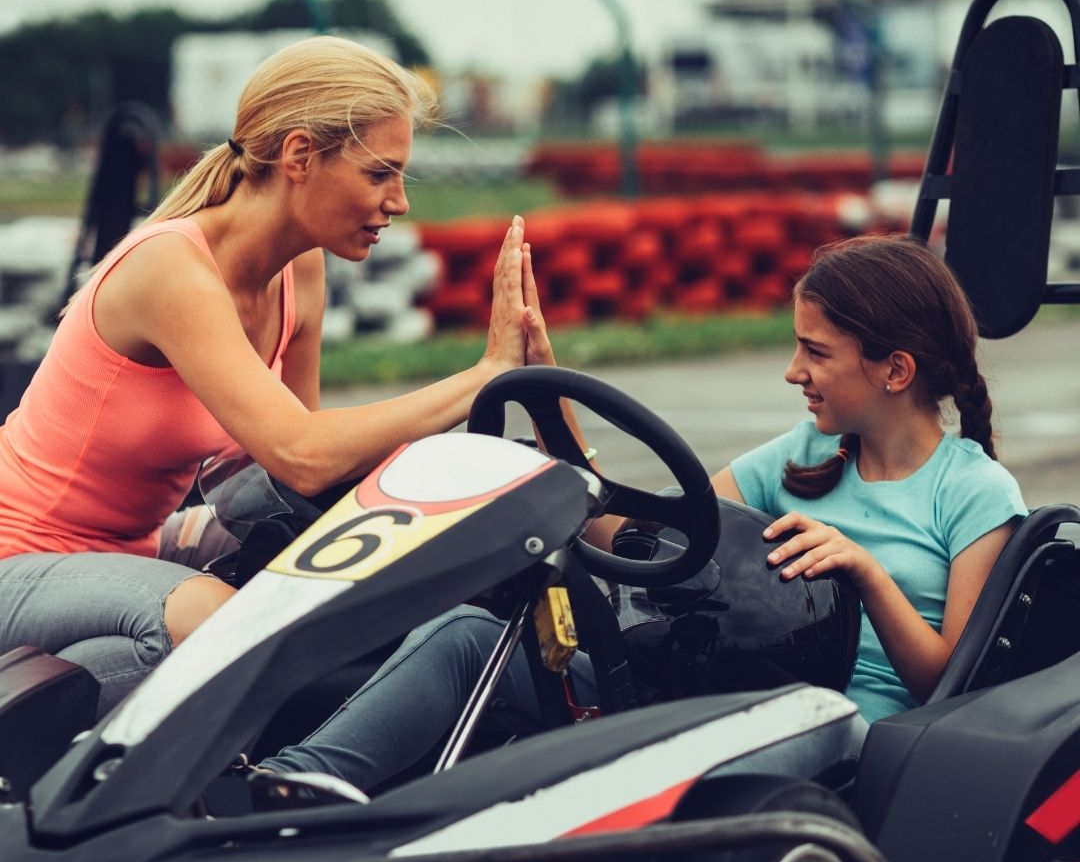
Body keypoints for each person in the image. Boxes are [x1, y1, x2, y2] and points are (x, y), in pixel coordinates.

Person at [260, 234, 1028, 793]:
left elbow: (945, 687)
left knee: (816, 722)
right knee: (464, 635)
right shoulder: (802, 456)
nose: (794, 371)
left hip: (845, 729)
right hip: (705, 688)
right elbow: (658, 535)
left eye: (815, 353)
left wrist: (862, 571)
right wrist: (547, 388)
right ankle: (296, 787)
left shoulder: (972, 492)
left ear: (895, 370)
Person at [0, 35, 546, 718]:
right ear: (298, 156)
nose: (399, 201)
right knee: (217, 622)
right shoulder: (172, 270)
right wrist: (488, 376)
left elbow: (285, 485)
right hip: (15, 557)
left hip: (135, 546)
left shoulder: (300, 271)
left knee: (336, 578)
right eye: (380, 174)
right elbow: (303, 453)